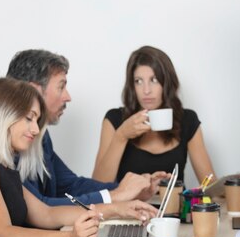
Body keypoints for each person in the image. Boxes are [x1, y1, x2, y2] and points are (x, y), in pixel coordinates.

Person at [0, 78, 157, 237]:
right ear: (3, 114)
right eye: (29, 118)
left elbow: (47, 214)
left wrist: (118, 208)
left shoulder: (2, 164)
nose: (36, 130)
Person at [6, 49, 166, 206]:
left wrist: (131, 189)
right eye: (61, 87)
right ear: (34, 91)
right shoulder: (10, 143)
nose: (68, 97)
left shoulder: (42, 136)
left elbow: (71, 186)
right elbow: (40, 210)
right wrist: (116, 195)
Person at [92, 45, 215, 184]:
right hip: (129, 206)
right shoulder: (115, 120)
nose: (146, 90)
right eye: (138, 81)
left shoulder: (187, 120)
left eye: (154, 80)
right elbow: (97, 186)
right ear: (132, 86)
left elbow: (209, 183)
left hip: (175, 205)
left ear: (167, 83)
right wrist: (121, 136)